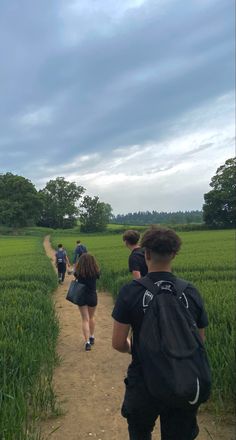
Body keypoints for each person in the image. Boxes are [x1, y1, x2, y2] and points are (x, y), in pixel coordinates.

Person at [112, 226, 209, 440]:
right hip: (183, 381)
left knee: (140, 432)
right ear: (174, 254)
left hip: (144, 381)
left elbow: (118, 343)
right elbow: (199, 341)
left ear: (145, 253)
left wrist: (136, 349)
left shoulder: (131, 291)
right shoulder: (190, 291)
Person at [74, 253, 100, 351]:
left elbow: (75, 274)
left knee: (85, 319)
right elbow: (98, 275)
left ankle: (87, 342)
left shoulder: (78, 272)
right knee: (92, 317)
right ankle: (92, 336)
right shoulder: (96, 271)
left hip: (81, 297)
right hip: (92, 296)